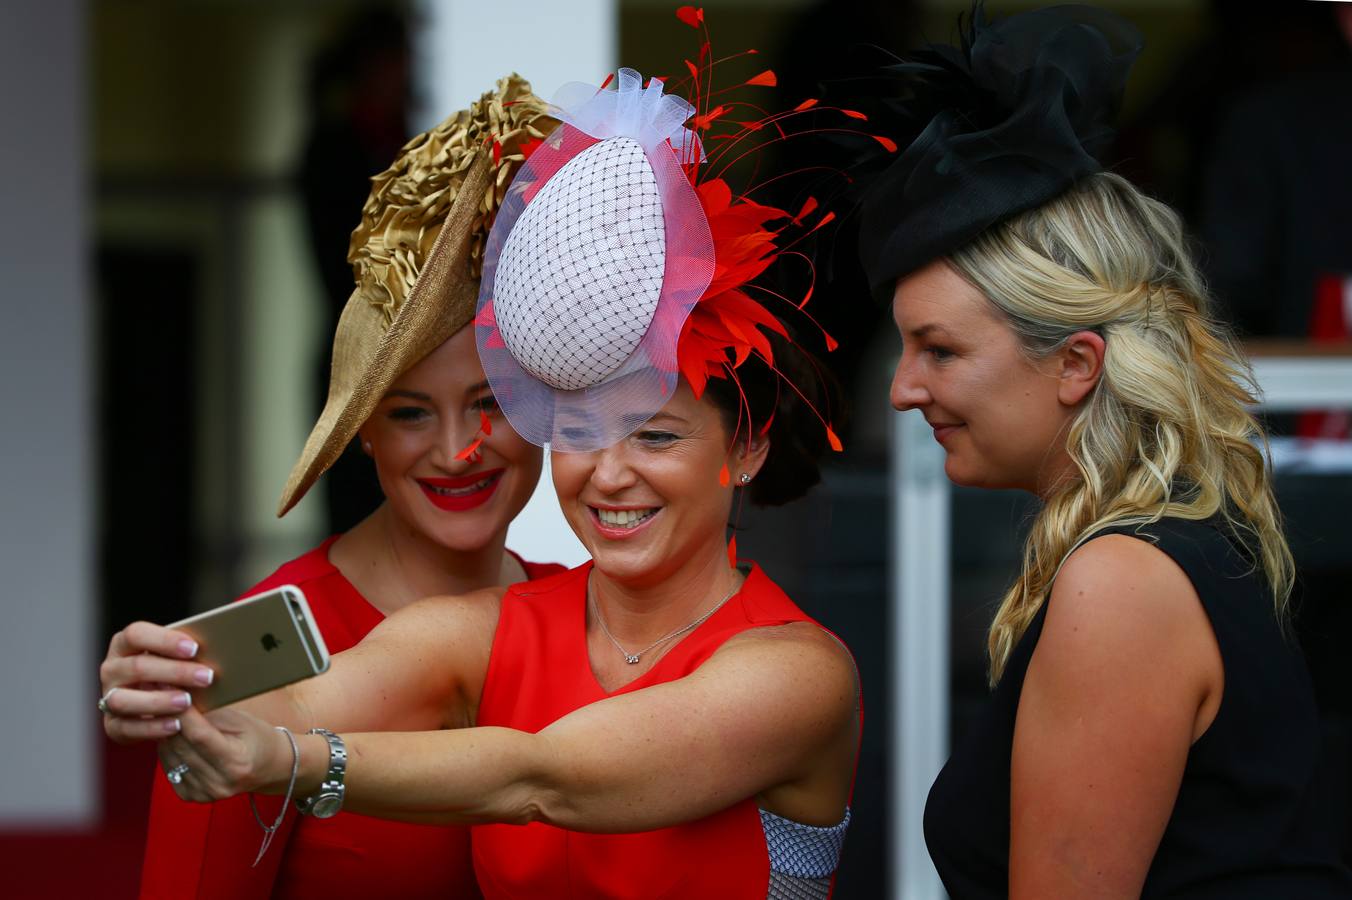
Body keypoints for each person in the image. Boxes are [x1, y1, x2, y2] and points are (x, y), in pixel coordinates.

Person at [101, 35, 864, 900]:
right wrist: (172, 686)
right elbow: (310, 699)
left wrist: (288, 760)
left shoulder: (800, 671)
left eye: (653, 436)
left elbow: (547, 776)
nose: (608, 475)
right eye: (577, 430)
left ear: (747, 445)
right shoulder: (490, 627)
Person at [854, 4, 1352, 897]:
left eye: (941, 350)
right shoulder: (1162, 545)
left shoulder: (1123, 582)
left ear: (1076, 363)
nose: (903, 389)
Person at [132, 75, 564, 900]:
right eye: (408, 414)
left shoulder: (575, 614)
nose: (455, 450)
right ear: (361, 430)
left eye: (489, 404)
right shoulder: (261, 650)